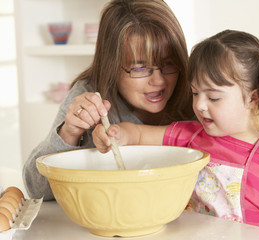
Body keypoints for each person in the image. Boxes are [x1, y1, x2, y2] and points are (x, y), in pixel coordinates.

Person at [93, 30, 259, 239]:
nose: (200, 105)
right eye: (195, 93)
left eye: (213, 97)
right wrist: (116, 134)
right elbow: (139, 135)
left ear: (253, 98)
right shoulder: (191, 136)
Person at [22, 0, 193, 201]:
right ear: (111, 65)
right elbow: (37, 190)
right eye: (140, 68)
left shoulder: (198, 92)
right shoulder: (90, 96)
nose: (159, 80)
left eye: (168, 64)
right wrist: (69, 133)